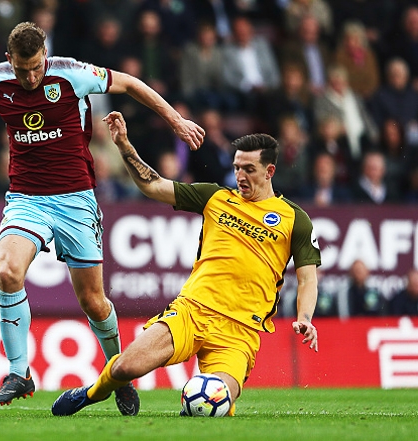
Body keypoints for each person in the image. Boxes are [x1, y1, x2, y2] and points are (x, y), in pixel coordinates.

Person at [0, 21, 205, 414]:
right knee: (8, 271)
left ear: (45, 55)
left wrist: (175, 120)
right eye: (22, 70)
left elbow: (129, 83)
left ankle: (119, 375)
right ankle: (19, 372)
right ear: (9, 59)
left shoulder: (71, 74)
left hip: (76, 200)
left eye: (37, 67)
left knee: (93, 302)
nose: (30, 77)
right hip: (27, 199)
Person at [51, 111, 320, 417]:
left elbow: (307, 278)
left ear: (269, 171)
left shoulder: (294, 219)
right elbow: (154, 186)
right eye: (236, 168)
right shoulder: (215, 197)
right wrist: (124, 144)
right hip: (192, 311)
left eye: (249, 169)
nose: (240, 176)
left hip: (239, 331)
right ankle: (91, 393)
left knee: (217, 400)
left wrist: (305, 317)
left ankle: (196, 409)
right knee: (125, 367)